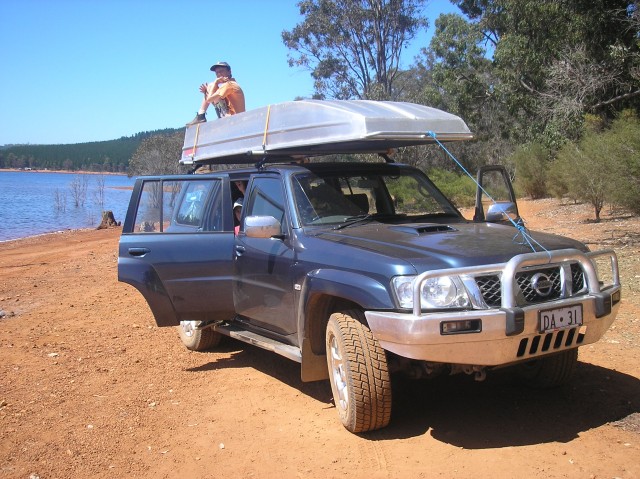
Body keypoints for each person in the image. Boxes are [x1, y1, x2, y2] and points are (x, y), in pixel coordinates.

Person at [186, 61, 246, 126]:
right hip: (235, 117)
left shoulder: (229, 84)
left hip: (235, 119)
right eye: (217, 72)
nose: (219, 74)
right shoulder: (228, 86)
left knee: (211, 86)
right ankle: (201, 116)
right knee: (210, 89)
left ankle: (201, 116)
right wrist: (206, 93)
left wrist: (215, 83)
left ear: (229, 72)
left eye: (221, 71)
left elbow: (209, 99)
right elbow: (212, 99)